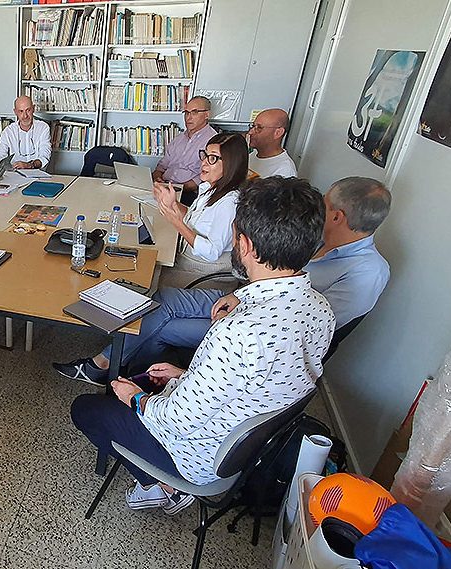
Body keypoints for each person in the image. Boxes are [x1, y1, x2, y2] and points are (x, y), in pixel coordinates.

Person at [71, 176, 335, 515]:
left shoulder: (236, 332)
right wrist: (186, 375)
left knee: (87, 408)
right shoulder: (321, 309)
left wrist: (135, 398)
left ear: (247, 246)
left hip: (196, 458)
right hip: (238, 444)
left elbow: (174, 420)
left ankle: (164, 487)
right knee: (155, 368)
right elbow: (263, 381)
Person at [54, 177, 390, 385]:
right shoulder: (316, 240)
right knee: (160, 301)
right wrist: (241, 295)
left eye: (326, 205)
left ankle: (118, 373)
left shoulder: (367, 272)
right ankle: (126, 368)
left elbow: (309, 327)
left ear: (337, 216)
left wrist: (240, 309)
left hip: (256, 328)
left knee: (159, 325)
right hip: (244, 298)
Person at [154, 131, 247, 290]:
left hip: (203, 274)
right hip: (188, 262)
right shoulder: (211, 189)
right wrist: (173, 204)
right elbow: (195, 217)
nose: (203, 163)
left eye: (212, 158)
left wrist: (176, 222)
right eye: (204, 155)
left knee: (149, 282)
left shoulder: (229, 202)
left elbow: (211, 252)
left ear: (231, 163)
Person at [152, 96, 217, 206]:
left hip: (189, 193)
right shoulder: (178, 139)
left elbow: (210, 175)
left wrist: (182, 187)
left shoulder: (214, 141)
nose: (188, 117)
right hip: (165, 188)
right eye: (186, 113)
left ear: (207, 115)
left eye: (194, 112)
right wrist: (157, 178)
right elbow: (161, 166)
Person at [0, 95, 51, 170]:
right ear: (15, 112)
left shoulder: (43, 128)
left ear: (33, 109)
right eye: (21, 111)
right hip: (15, 175)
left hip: (38, 174)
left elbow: (44, 157)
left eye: (28, 110)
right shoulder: (8, 131)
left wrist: (29, 165)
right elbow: (0, 154)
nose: (25, 116)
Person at [247, 108, 297, 178]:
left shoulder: (285, 171)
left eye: (259, 128)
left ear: (278, 133)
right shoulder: (253, 155)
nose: (250, 132)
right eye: (253, 126)